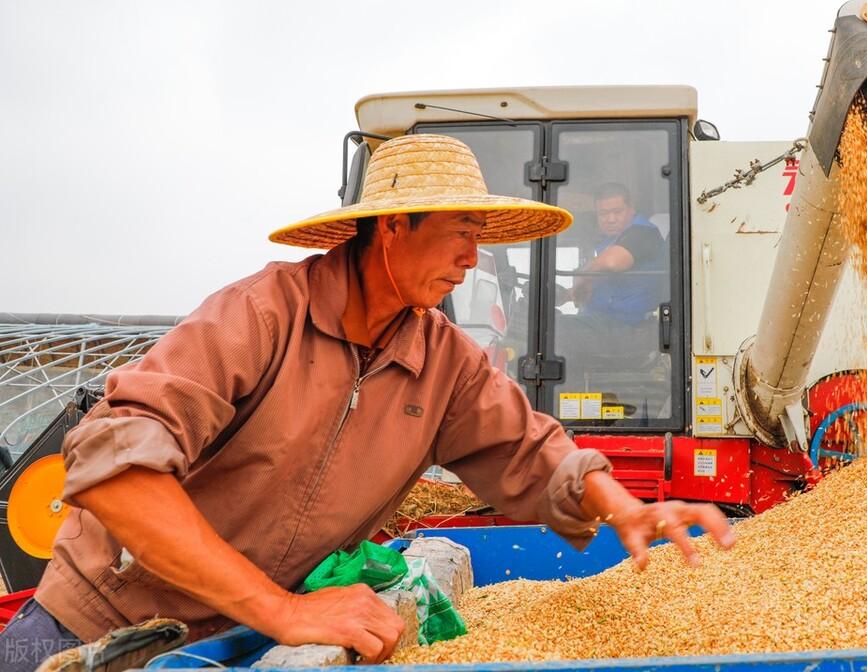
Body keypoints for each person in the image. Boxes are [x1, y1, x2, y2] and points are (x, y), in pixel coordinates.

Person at [0, 135, 733, 671]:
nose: (473, 257)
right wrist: (284, 611)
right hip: (94, 630)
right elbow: (119, 471)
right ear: (392, 227)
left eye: (479, 236)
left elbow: (532, 449)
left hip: (234, 647)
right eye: (461, 232)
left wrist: (625, 508)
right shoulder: (261, 317)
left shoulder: (439, 357)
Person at [565, 182, 666, 324]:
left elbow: (612, 263)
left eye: (617, 212)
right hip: (601, 322)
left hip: (628, 326)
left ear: (632, 208)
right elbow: (602, 285)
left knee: (554, 331)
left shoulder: (643, 233)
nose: (610, 219)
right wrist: (566, 295)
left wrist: (583, 276)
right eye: (603, 214)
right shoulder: (610, 241)